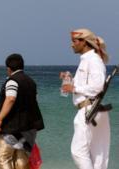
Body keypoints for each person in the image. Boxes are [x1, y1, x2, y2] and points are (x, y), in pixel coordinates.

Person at [62, 28, 110, 169]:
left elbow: (98, 86)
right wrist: (69, 80)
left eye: (74, 41)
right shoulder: (88, 60)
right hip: (93, 110)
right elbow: (86, 85)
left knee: (78, 152)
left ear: (84, 42)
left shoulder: (93, 60)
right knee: (97, 154)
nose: (72, 44)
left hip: (89, 110)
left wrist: (74, 88)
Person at [0, 53, 44, 169]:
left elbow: (11, 99)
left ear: (8, 68)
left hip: (12, 128)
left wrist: (0, 119)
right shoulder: (31, 82)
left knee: (3, 157)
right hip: (29, 128)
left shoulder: (12, 81)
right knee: (22, 160)